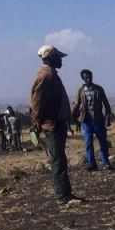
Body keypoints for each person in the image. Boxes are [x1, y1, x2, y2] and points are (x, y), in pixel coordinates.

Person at [29, 45, 78, 205]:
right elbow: (37, 102)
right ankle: (63, 197)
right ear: (50, 58)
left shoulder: (49, 74)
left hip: (55, 123)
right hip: (52, 124)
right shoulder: (47, 75)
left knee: (59, 159)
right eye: (58, 57)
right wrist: (36, 122)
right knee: (57, 160)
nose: (61, 60)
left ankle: (66, 194)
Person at [72, 69, 115, 170]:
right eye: (86, 77)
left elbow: (106, 104)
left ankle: (105, 162)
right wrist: (75, 118)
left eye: (90, 76)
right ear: (83, 78)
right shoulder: (81, 91)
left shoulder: (99, 89)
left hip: (98, 120)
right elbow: (77, 104)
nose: (88, 79)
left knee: (103, 142)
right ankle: (92, 164)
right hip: (86, 121)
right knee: (88, 142)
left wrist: (107, 118)